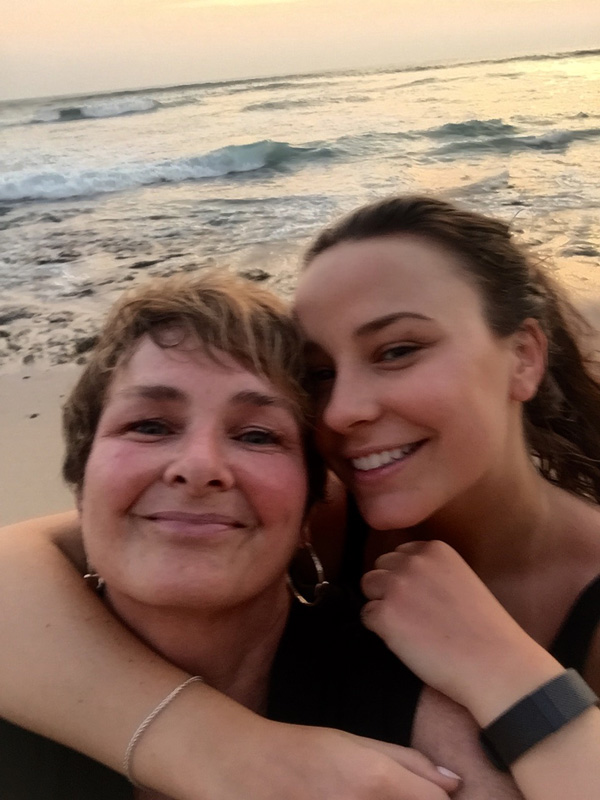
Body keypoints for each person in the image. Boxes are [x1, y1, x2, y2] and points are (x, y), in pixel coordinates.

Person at [1, 196, 600, 799]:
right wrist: (220, 749)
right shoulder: (328, 511)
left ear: (523, 356)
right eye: (320, 374)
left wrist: (503, 670)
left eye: (398, 350)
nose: (342, 412)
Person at [0, 270, 460, 800]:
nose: (198, 467)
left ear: (314, 503)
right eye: (150, 425)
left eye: (257, 435)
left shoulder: (412, 710)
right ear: (82, 485)